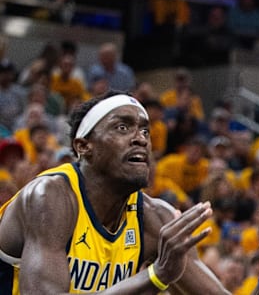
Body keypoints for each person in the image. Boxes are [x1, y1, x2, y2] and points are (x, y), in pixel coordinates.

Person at [0, 91, 228, 293]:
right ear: (84, 146)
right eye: (122, 127)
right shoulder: (50, 198)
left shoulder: (155, 218)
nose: (140, 138)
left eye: (145, 131)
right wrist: (154, 277)